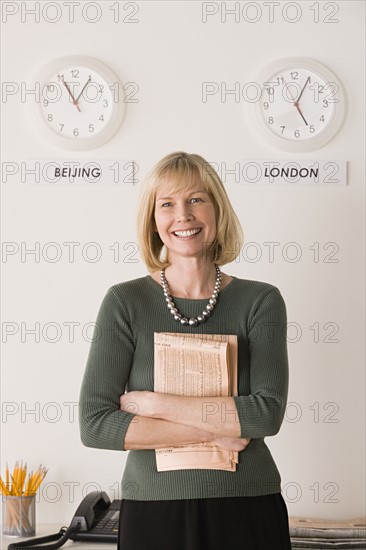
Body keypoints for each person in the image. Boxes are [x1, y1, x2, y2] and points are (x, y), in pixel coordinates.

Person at [79, 151, 292, 550]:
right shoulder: (125, 302)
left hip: (247, 504)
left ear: (217, 210)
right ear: (153, 219)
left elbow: (265, 414)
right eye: (167, 204)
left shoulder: (261, 301)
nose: (183, 215)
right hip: (154, 511)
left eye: (196, 199)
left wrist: (154, 403)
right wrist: (219, 430)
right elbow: (95, 424)